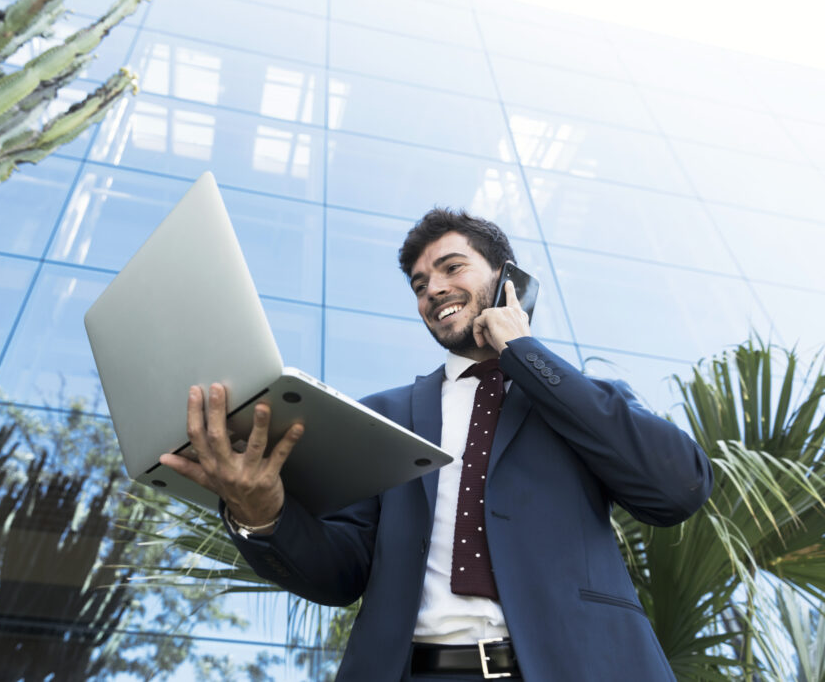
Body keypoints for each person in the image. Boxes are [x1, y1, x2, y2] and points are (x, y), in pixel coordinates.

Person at [159, 209, 714, 681]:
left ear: (505, 281)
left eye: (452, 268)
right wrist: (263, 516)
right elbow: (341, 573)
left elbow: (676, 489)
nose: (434, 290)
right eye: (420, 285)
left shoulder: (576, 400)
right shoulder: (385, 416)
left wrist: (523, 351)